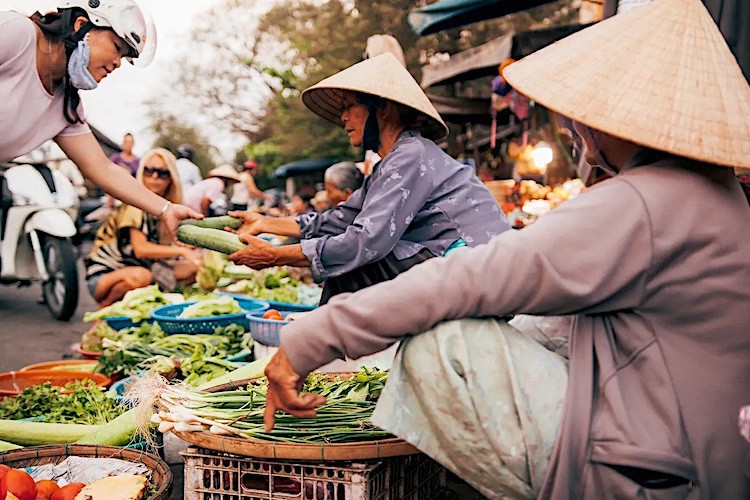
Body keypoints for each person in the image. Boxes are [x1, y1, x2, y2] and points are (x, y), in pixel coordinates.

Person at [259, 0, 750, 498]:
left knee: (444, 344)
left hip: (670, 475)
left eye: (581, 116)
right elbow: (343, 220)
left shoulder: (646, 202)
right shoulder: (705, 193)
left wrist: (308, 339)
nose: (572, 127)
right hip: (698, 446)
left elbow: (464, 274)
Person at [228, 53, 509, 304]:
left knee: (357, 266)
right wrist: (266, 223)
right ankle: (328, 347)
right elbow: (341, 220)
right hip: (449, 261)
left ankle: (322, 350)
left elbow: (366, 241)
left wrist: (275, 256)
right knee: (348, 263)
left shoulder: (411, 155)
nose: (343, 118)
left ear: (382, 107)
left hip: (478, 268)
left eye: (349, 106)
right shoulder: (388, 165)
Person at [0, 0, 200, 232]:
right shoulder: (18, 33)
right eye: (117, 47)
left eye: (125, 57)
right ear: (81, 26)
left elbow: (102, 169)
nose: (117, 64)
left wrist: (166, 208)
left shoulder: (66, 107)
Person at [85, 148, 201, 306]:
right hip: (105, 274)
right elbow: (141, 249)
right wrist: (182, 251)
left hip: (142, 267)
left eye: (162, 173)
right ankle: (104, 311)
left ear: (171, 179)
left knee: (194, 270)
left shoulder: (162, 209)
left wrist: (187, 247)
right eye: (149, 171)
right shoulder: (135, 205)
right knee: (142, 277)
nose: (154, 177)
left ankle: (143, 305)